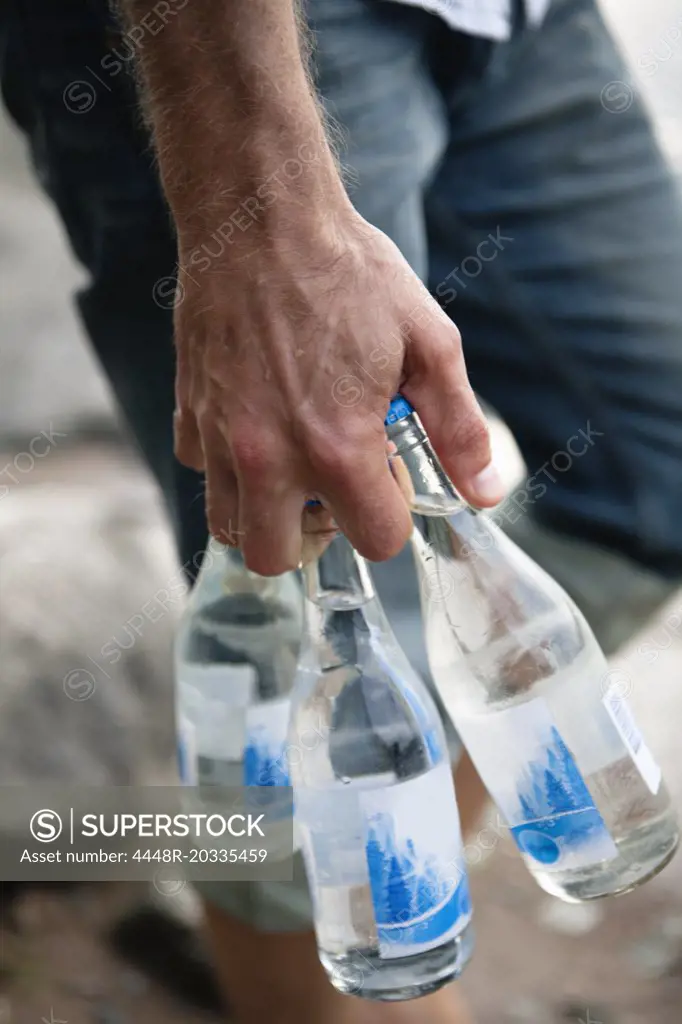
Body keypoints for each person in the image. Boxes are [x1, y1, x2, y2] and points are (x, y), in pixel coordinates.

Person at [3, 0, 682, 1021]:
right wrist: (263, 220)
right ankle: (319, 935)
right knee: (304, 642)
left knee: (656, 474)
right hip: (235, 52)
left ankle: (374, 868)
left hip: (511, 16)